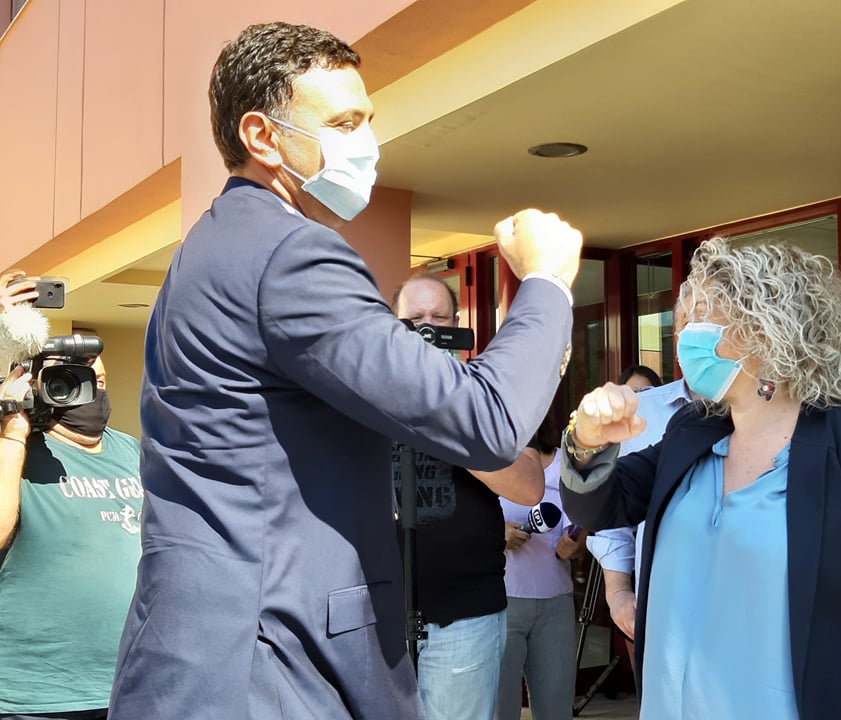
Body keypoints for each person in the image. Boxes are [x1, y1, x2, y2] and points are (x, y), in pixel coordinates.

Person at [109, 22, 582, 720]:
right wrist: (545, 282)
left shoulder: (216, 245)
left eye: (367, 119)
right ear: (262, 136)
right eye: (343, 123)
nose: (368, 142)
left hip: (213, 655)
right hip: (265, 668)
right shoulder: (289, 254)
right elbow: (485, 422)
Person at [560, 238, 841, 719]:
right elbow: (600, 507)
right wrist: (586, 440)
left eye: (705, 318)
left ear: (768, 330)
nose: (685, 337)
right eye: (685, 321)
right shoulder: (692, 429)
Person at [391, 274, 545, 720]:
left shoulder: (484, 391)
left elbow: (529, 485)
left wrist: (449, 418)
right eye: (415, 318)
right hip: (380, 617)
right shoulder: (370, 393)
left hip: (463, 618)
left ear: (457, 325)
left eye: (439, 318)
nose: (428, 328)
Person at [1, 275, 142, 720]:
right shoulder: (16, 448)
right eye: (74, 380)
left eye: (100, 381)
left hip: (128, 686)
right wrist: (13, 431)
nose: (91, 392)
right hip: (34, 698)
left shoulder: (132, 451)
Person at [585, 376, 689, 678]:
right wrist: (618, 591)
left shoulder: (775, 414)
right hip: (660, 617)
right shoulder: (644, 411)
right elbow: (610, 513)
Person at [495, 415, 587, 720]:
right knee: (499, 709)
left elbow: (578, 524)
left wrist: (576, 543)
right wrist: (497, 532)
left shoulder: (564, 463)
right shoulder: (488, 462)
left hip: (556, 604)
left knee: (556, 709)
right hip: (500, 603)